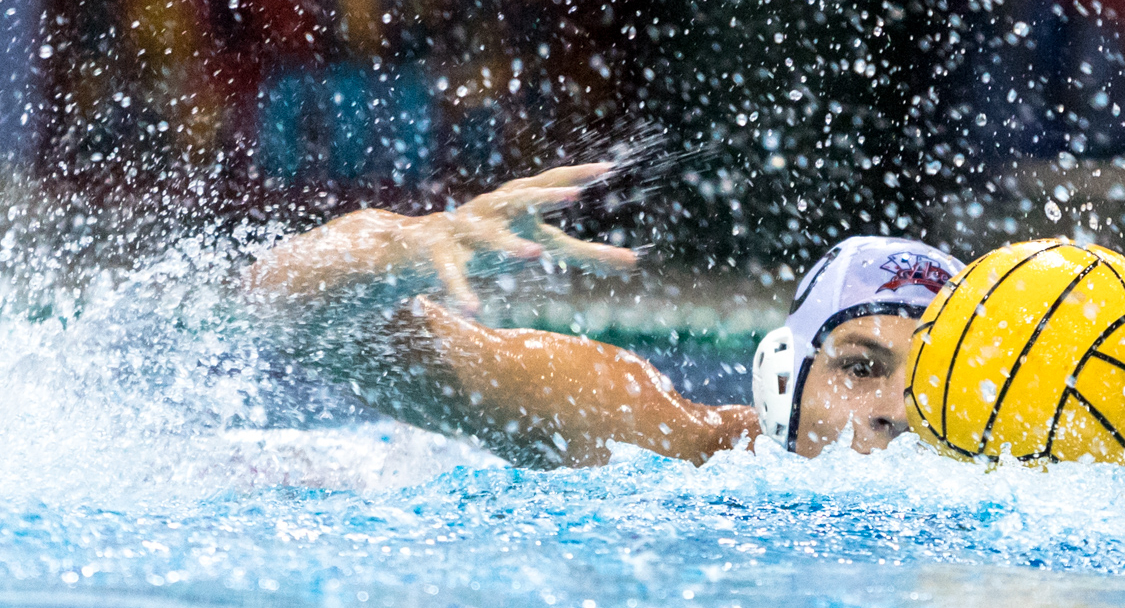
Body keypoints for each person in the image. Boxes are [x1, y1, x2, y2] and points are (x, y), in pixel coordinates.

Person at [245, 163, 963, 467]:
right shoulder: (649, 436)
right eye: (861, 365)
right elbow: (290, 313)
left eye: (933, 378)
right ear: (781, 375)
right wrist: (404, 249)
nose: (896, 409)